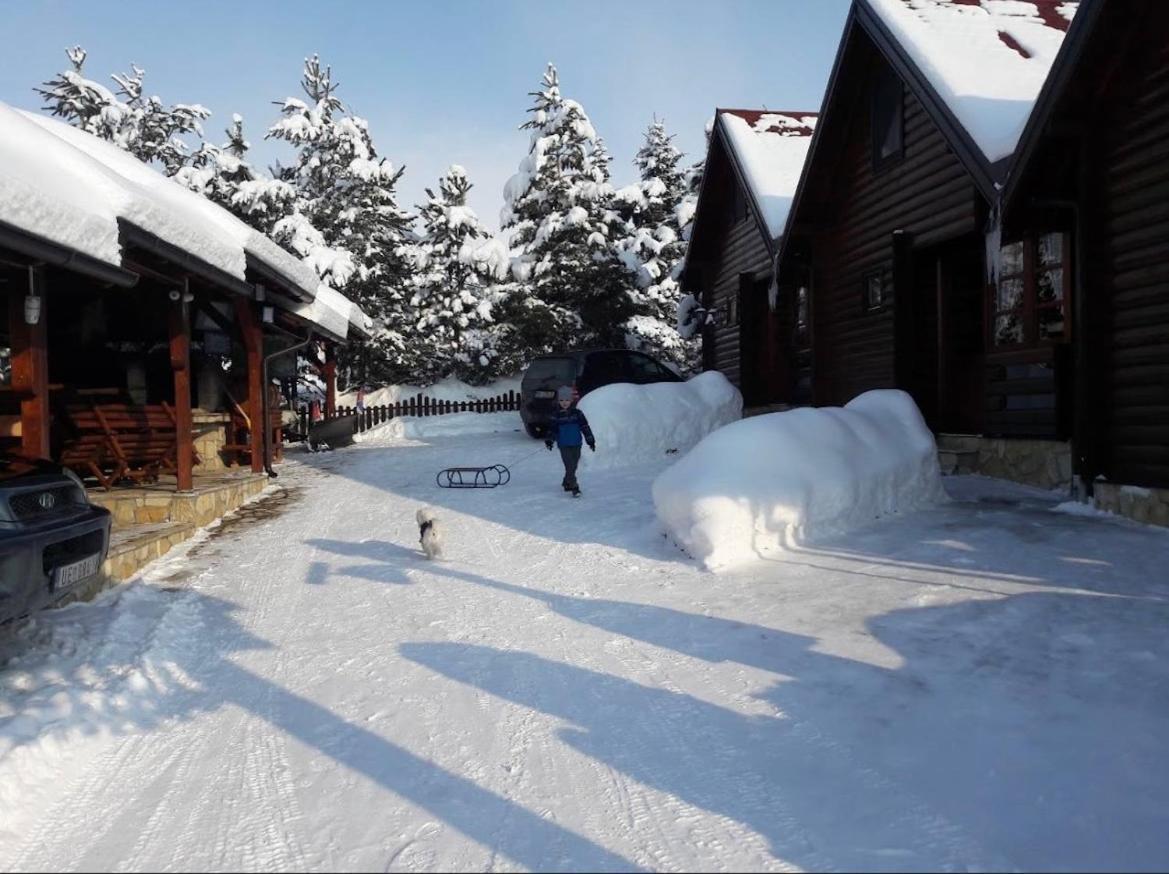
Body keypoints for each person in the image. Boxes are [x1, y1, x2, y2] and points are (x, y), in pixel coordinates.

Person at [544, 385, 595, 496]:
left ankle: (566, 481)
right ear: (558, 401)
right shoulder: (556, 415)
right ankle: (574, 487)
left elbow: (585, 427)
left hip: (577, 443)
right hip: (564, 444)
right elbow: (552, 429)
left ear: (571, 400)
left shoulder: (578, 414)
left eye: (567, 400)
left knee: (574, 465)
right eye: (561, 400)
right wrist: (549, 440)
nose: (564, 402)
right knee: (569, 465)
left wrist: (590, 440)